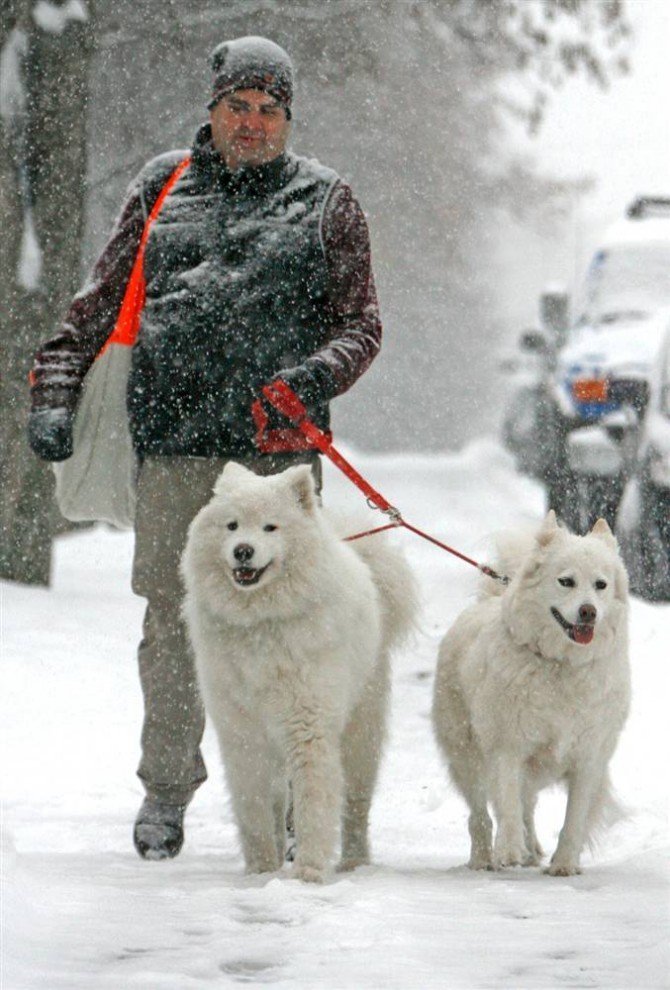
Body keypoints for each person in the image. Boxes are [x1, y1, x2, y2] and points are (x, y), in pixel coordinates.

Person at [27, 36, 382, 859]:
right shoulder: (163, 185)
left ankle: (299, 795)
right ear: (212, 110)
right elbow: (101, 297)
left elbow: (362, 325)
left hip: (278, 456)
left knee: (302, 631)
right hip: (177, 446)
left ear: (288, 119)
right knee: (174, 624)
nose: (254, 124)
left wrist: (310, 375)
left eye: (270, 111)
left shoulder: (327, 201)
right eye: (239, 108)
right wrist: (55, 386)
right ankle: (167, 791)